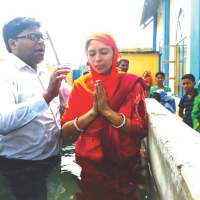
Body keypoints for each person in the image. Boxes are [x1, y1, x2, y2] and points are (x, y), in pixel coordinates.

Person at [61, 33, 148, 199]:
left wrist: (107, 112)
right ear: (87, 57)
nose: (98, 59)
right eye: (92, 54)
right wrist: (93, 112)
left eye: (104, 52)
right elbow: (64, 131)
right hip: (88, 162)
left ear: (115, 53)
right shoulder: (80, 85)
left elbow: (141, 128)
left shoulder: (131, 84)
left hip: (124, 162)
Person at [0, 17, 70, 200]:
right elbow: (3, 122)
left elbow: (68, 102)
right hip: (21, 167)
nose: (40, 42)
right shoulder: (5, 76)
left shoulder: (45, 73)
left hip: (52, 160)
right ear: (13, 43)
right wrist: (47, 96)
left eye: (41, 37)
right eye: (32, 36)